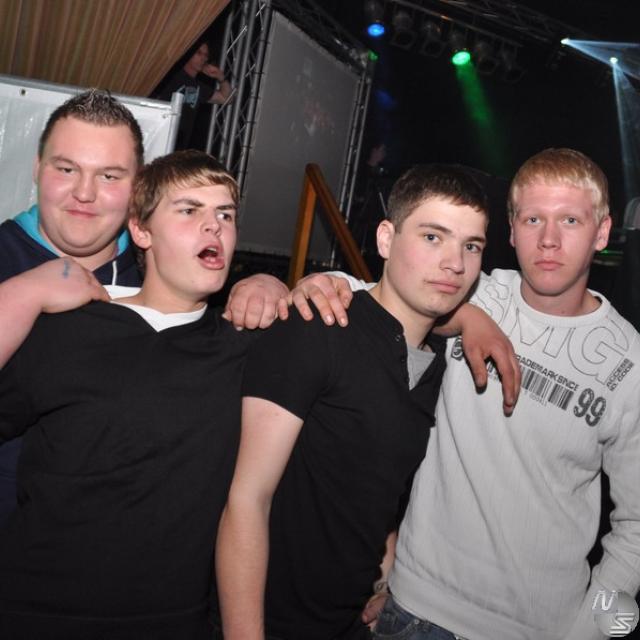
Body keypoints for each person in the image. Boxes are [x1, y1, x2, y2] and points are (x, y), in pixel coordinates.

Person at [296, 148, 640, 640]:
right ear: (511, 230)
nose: (548, 239)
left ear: (602, 233)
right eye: (533, 219)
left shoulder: (630, 362)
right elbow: (376, 295)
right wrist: (293, 284)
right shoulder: (468, 291)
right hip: (413, 611)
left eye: (570, 220)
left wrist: (592, 632)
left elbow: (636, 531)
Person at [216, 164, 495, 639]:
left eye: (471, 246)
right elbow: (246, 501)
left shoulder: (437, 368)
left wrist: (387, 579)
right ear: (386, 239)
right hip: (270, 623)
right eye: (433, 237)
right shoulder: (317, 326)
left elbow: (376, 495)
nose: (455, 263)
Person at [0, 90, 289, 526]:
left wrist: (267, 285)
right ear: (38, 169)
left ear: (137, 192)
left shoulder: (161, 277)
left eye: (109, 176)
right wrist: (24, 293)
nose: (84, 193)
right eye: (66, 169)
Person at [0, 150, 252, 639]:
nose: (214, 226)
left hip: (170, 623)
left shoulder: (246, 351)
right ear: (141, 230)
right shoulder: (65, 330)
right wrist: (25, 292)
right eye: (189, 210)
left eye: (225, 215)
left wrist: (292, 285)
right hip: (32, 613)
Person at [154, 40, 232, 149]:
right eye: (199, 53)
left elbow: (226, 98)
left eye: (206, 55)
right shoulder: (172, 76)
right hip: (159, 137)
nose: (203, 58)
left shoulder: (198, 86)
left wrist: (221, 77)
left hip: (179, 146)